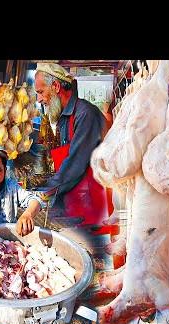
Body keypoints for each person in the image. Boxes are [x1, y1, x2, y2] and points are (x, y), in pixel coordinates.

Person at [34, 63, 108, 224]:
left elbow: (75, 165)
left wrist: (41, 193)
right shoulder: (65, 117)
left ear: (55, 86)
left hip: (93, 210)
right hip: (76, 205)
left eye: (40, 92)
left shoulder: (85, 114)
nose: (39, 99)